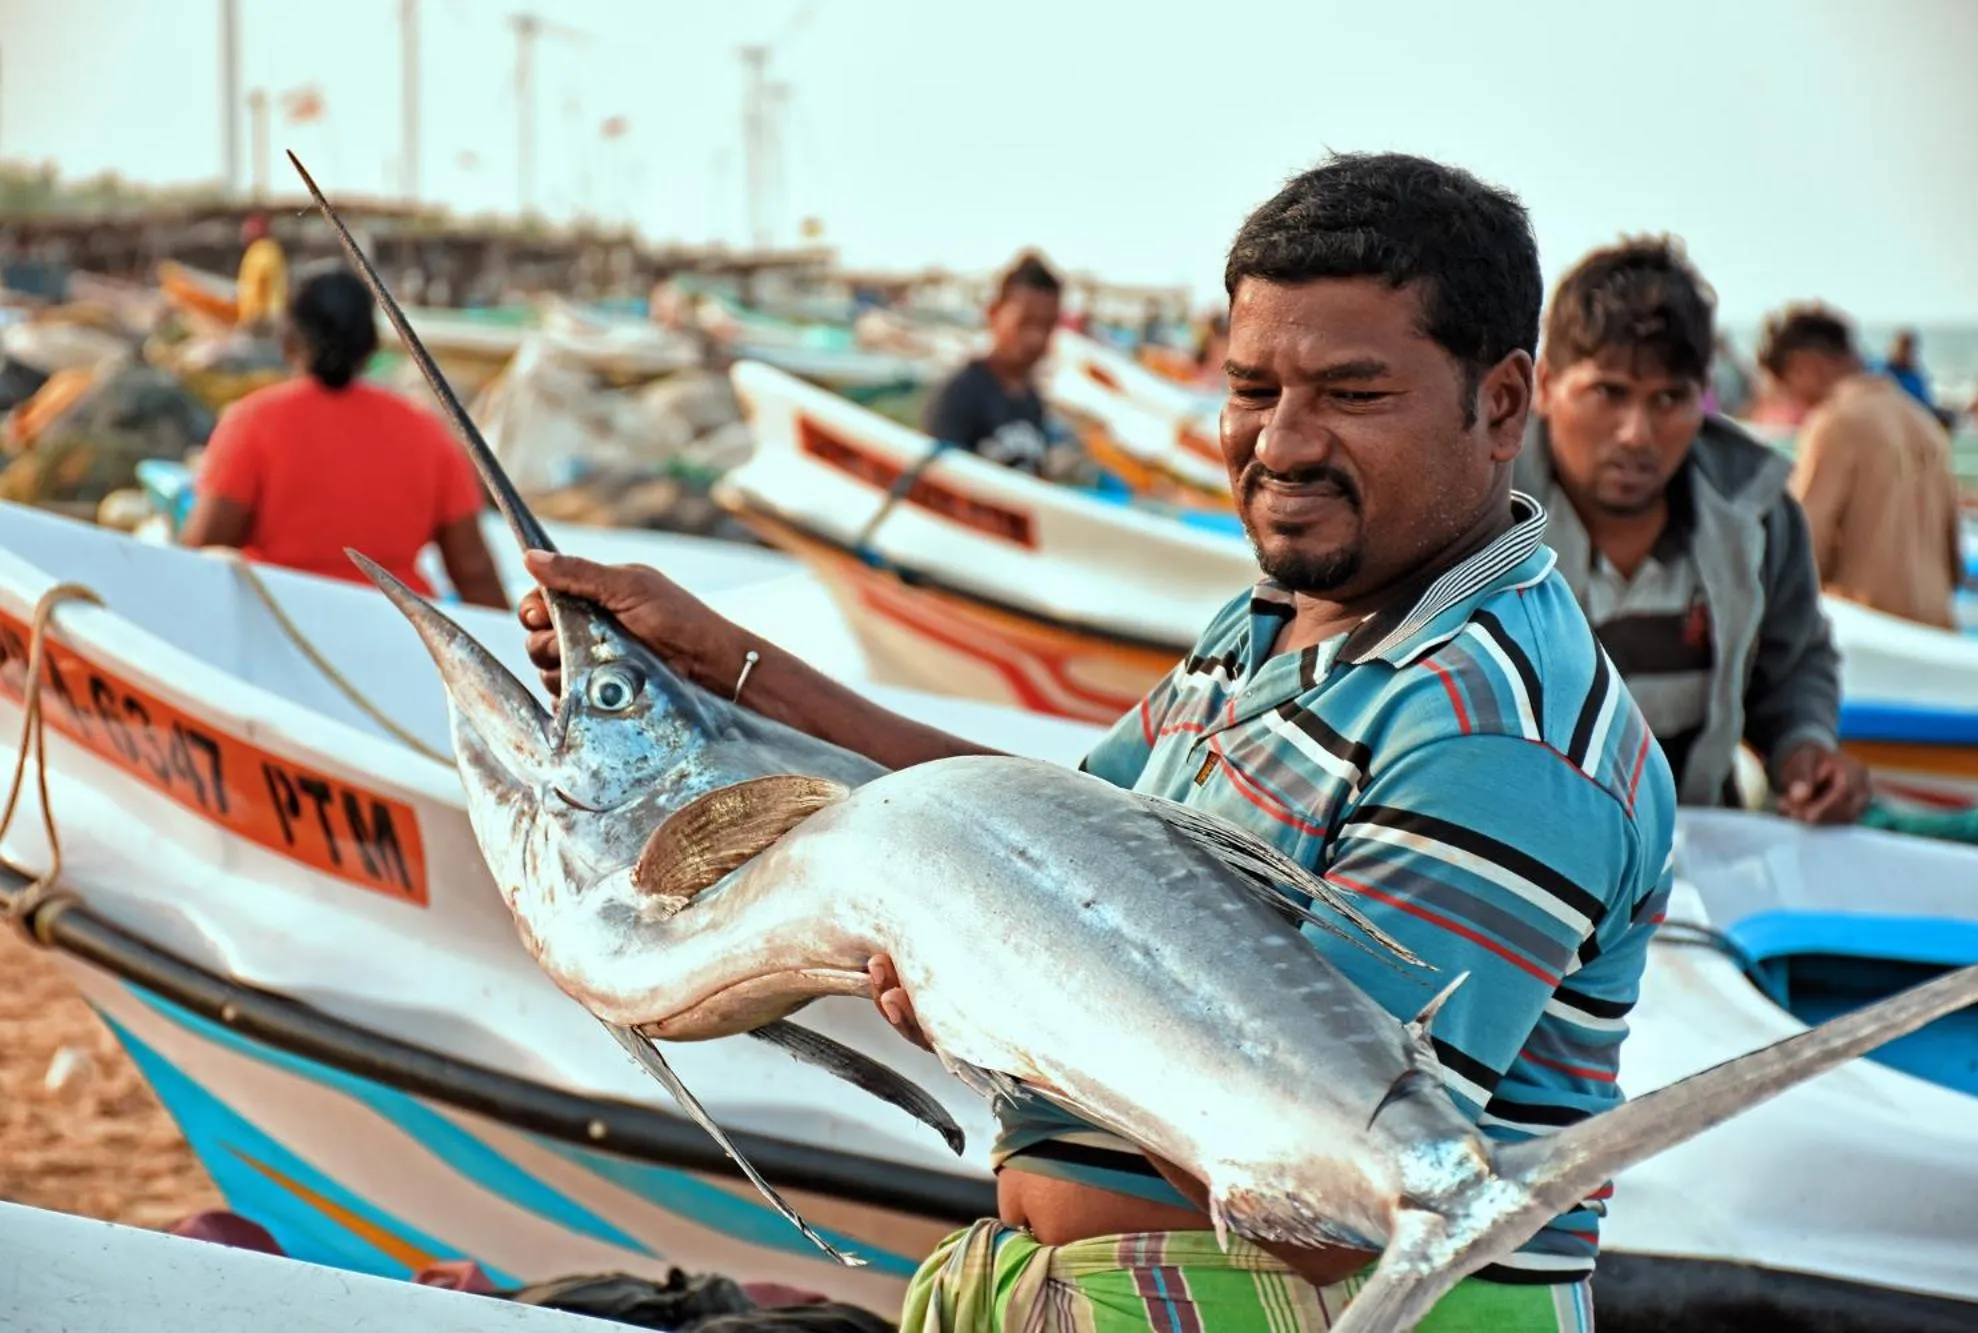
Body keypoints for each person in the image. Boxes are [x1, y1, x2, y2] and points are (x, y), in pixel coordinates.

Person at [519, 152, 1674, 1332]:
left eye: (1348, 393)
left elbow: (1330, 1214)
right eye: (1251, 387)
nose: (1277, 443)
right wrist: (723, 665)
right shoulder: (1272, 625)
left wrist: (1001, 984)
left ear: (1498, 403)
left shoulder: (1503, 734)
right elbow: (1025, 830)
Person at [1517, 238, 1869, 823]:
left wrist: (1805, 748)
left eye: (1669, 399)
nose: (1637, 432)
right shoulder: (1481, 516)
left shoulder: (1755, 519)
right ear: (1545, 385)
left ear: (1701, 397)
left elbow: (1792, 660)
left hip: (1695, 843)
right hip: (1518, 854)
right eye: (1609, 392)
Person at [182, 265, 508, 608]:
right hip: (401, 630)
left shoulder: (252, 421)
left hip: (283, 624)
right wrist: (515, 650)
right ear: (370, 345)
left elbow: (204, 547)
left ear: (288, 340)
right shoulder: (426, 431)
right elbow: (474, 571)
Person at [1760, 304, 1963, 630]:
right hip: (1937, 629)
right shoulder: (1925, 422)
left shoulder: (1835, 423)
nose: (1791, 402)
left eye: (1786, 387)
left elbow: (1802, 548)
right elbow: (1953, 558)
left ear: (1806, 367)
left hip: (1870, 633)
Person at [921, 252, 1063, 472]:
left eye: (1047, 326)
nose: (1036, 338)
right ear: (994, 313)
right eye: (1025, 323)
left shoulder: (1032, 401)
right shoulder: (961, 394)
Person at [235, 212, 289, 332]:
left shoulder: (266, 251)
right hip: (252, 320)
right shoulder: (255, 251)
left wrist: (275, 317)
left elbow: (276, 288)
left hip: (262, 322)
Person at [1881, 328, 1935, 413]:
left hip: (1916, 413)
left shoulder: (1915, 374)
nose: (1905, 354)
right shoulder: (1881, 370)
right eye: (1902, 349)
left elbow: (1925, 402)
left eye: (1909, 350)